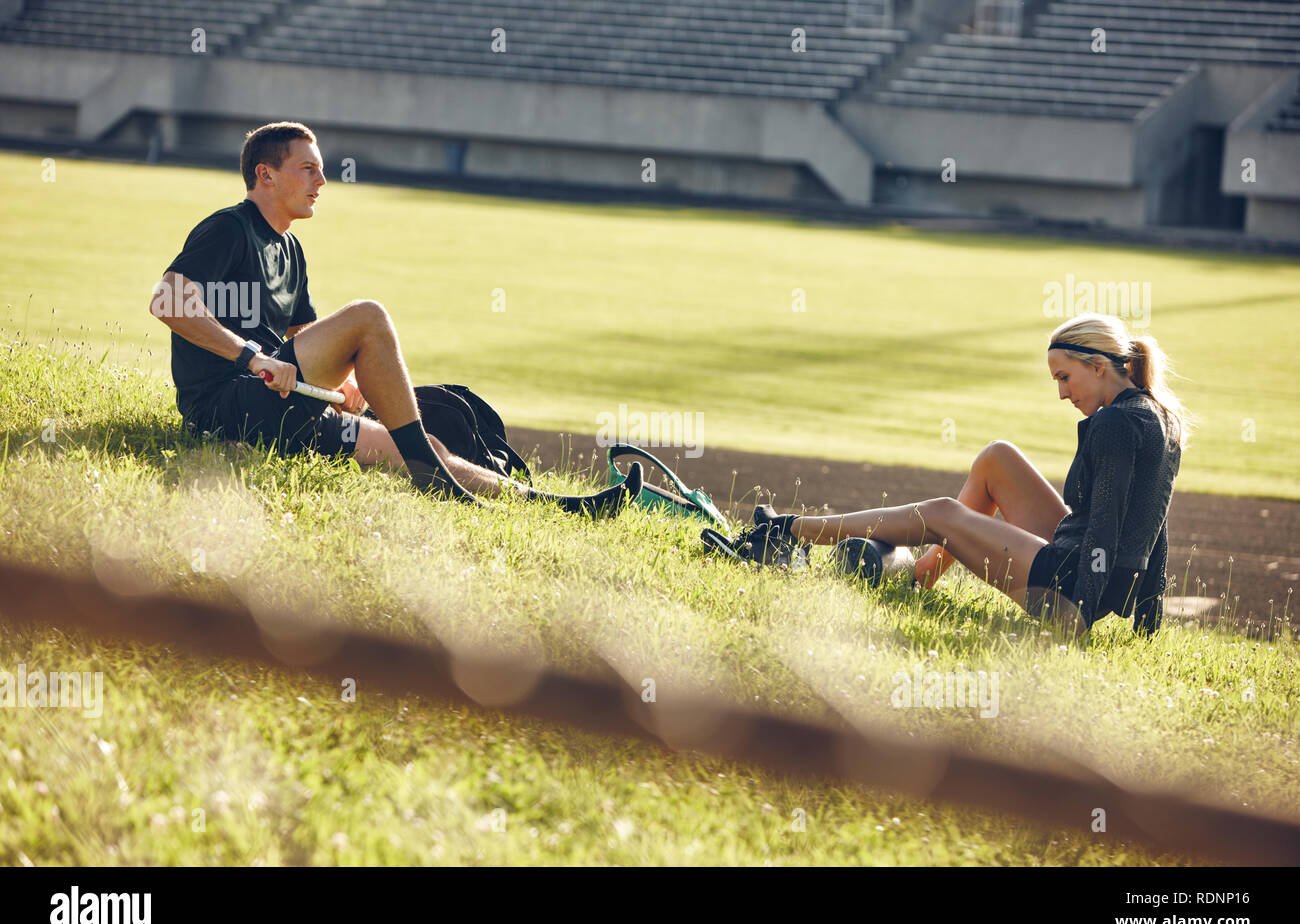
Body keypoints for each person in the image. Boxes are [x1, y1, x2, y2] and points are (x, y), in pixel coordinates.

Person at [150, 121, 640, 516]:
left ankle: (558, 508)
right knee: (368, 315)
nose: (322, 182)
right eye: (308, 170)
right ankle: (432, 476)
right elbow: (168, 301)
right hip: (227, 408)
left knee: (423, 444)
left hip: (280, 406)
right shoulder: (228, 229)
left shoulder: (290, 249)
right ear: (266, 174)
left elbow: (302, 338)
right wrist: (252, 356)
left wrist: (342, 386)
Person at [754, 314, 1189, 634]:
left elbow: (1108, 528)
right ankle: (919, 579)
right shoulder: (1159, 415)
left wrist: (1076, 618)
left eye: (1064, 377)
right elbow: (1157, 524)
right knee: (997, 458)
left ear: (1097, 365)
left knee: (942, 513)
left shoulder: (1116, 425)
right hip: (1094, 572)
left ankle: (788, 531)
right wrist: (1149, 619)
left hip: (1069, 586)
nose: (1061, 393)